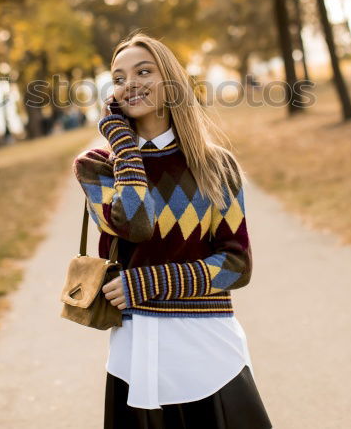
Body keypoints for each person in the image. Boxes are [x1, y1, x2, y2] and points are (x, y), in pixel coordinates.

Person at [72, 32, 272, 429]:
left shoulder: (216, 165)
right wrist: (125, 149)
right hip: (136, 350)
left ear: (170, 82)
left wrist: (144, 284)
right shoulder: (96, 165)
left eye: (144, 71)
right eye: (119, 78)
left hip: (209, 348)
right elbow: (137, 225)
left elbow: (237, 265)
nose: (130, 84)